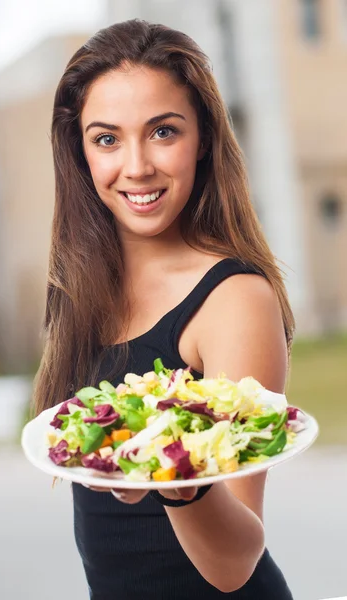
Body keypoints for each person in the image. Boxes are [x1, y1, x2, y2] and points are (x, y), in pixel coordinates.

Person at [33, 19, 295, 600]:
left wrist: (178, 482)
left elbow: (235, 563)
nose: (136, 166)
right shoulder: (84, 290)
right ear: (79, 151)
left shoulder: (234, 299)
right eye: (107, 139)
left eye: (162, 132)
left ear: (201, 138)